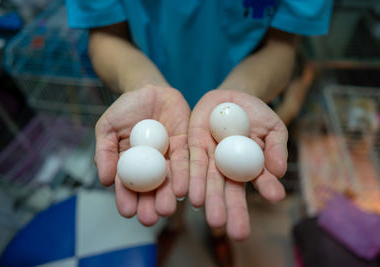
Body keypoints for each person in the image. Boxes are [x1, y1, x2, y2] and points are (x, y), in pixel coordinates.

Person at [66, 0, 332, 264]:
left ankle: (216, 233)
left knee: (216, 185)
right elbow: (105, 35)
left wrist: (241, 90)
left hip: (238, 93)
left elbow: (282, 46)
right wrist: (142, 85)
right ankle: (175, 226)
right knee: (174, 176)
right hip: (156, 105)